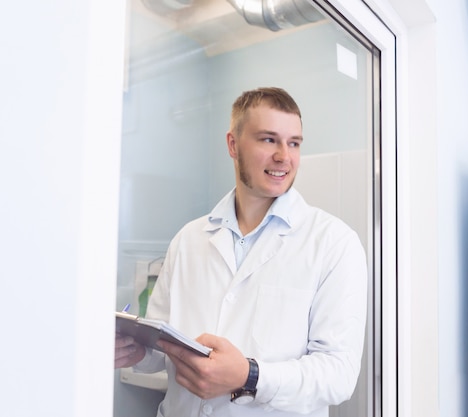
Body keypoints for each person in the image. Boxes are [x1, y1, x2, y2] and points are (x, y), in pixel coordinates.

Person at [114, 87, 368, 417]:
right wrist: (136, 352)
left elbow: (338, 376)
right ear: (233, 145)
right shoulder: (189, 239)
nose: (284, 156)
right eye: (268, 140)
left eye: (293, 143)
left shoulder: (334, 243)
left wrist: (250, 376)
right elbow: (164, 349)